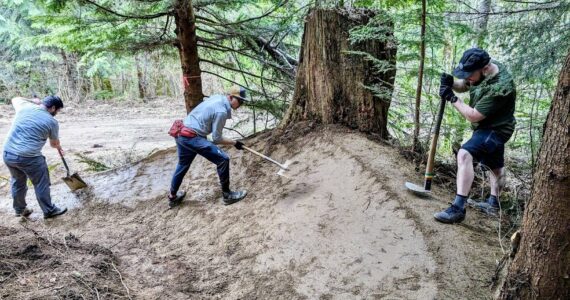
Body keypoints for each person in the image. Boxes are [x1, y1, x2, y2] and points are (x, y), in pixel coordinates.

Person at [434, 48, 516, 224]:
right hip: (487, 126)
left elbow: (473, 115)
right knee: (495, 167)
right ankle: (493, 204)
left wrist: (452, 98)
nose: (467, 77)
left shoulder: (500, 88)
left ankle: (458, 208)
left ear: (485, 68)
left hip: (496, 129)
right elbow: (467, 84)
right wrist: (452, 83)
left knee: (464, 155)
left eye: (469, 74)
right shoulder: (483, 72)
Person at [167, 85, 249, 208]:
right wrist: (235, 143)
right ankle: (227, 195)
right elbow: (216, 138)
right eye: (240, 100)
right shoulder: (221, 111)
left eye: (242, 101)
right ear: (231, 97)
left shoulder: (218, 98)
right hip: (191, 137)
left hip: (181, 133)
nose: (241, 103)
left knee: (183, 164)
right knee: (223, 159)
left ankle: (173, 197)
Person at [3, 96, 68, 219]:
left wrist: (33, 101)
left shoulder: (25, 106)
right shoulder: (52, 122)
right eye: (57, 111)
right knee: (41, 183)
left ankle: (20, 210)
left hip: (8, 153)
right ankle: (49, 210)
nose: (56, 114)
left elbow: (15, 98)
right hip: (29, 158)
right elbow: (53, 144)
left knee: (17, 182)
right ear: (53, 108)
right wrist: (59, 147)